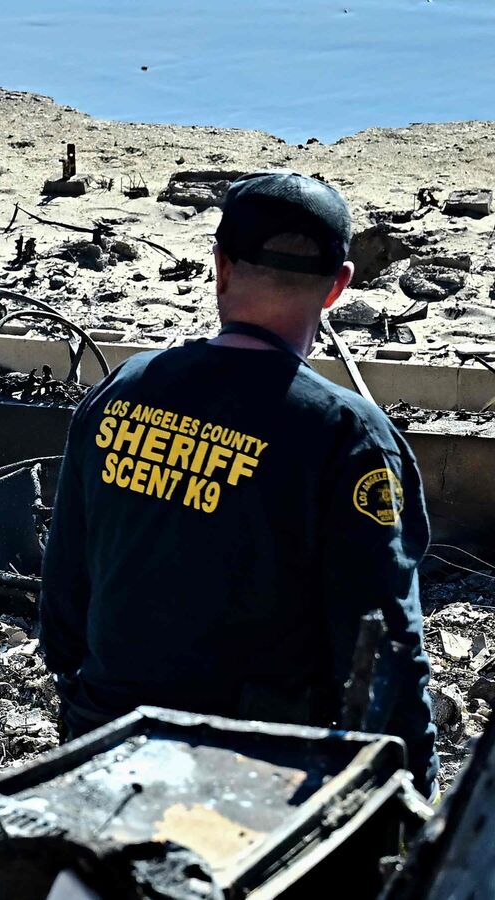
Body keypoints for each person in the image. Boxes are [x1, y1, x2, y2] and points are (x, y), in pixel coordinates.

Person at [38, 171, 437, 792]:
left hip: (108, 738)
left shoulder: (122, 389)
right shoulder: (347, 435)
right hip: (255, 767)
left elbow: (64, 584)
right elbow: (384, 641)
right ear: (337, 287)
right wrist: (415, 793)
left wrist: (83, 696)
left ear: (219, 266)